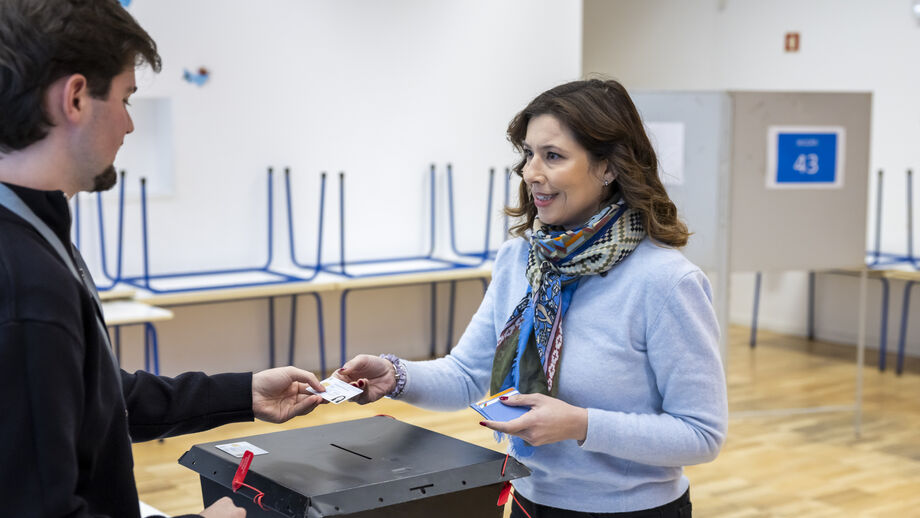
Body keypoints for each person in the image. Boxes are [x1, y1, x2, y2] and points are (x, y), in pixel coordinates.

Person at [337, 79, 728, 517]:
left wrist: (580, 425)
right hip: (528, 501)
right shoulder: (521, 258)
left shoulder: (666, 281)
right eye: (528, 154)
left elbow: (701, 433)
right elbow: (469, 374)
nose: (530, 172)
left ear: (608, 168)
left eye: (553, 156)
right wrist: (396, 376)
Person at [0, 1, 327, 517]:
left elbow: (95, 399)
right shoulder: (25, 281)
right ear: (77, 98)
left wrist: (242, 393)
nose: (130, 126)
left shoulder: (34, 233)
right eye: (127, 99)